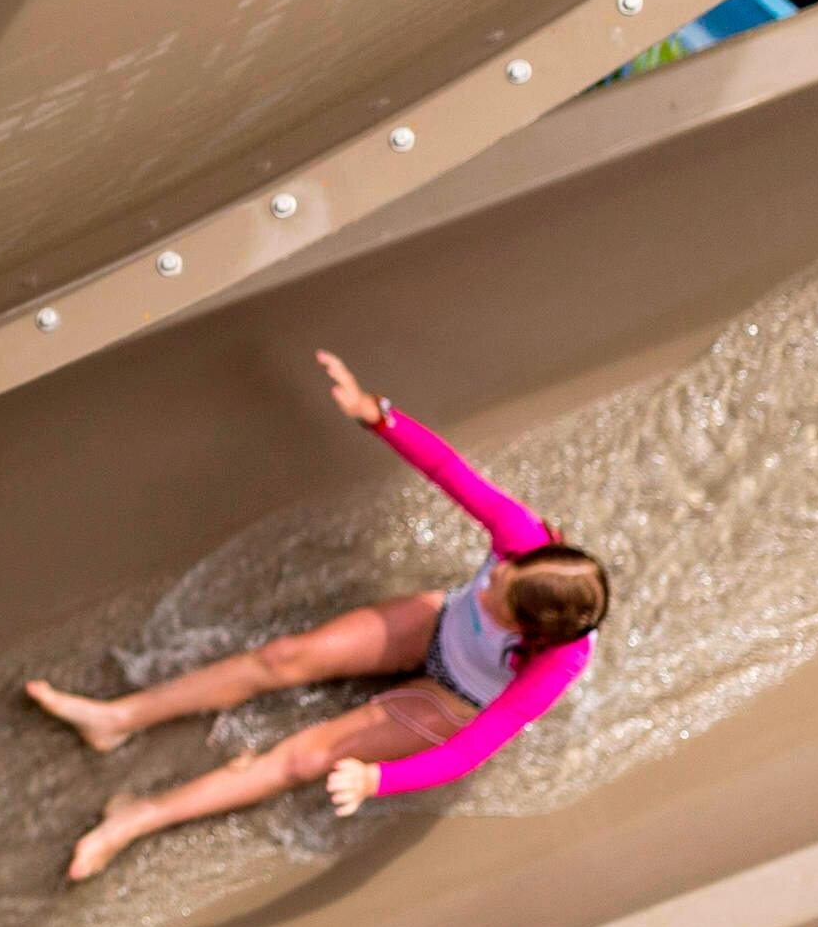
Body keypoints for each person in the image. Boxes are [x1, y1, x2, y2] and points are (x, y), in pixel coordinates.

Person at [30, 350, 606, 884]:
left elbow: (464, 754)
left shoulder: (555, 666)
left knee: (306, 757)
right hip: (437, 623)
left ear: (529, 633)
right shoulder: (522, 544)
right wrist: (376, 415)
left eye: (496, 600)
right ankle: (116, 718)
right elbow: (450, 471)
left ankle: (135, 818)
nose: (491, 581)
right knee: (283, 658)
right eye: (498, 574)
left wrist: (375, 779)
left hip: (458, 695)